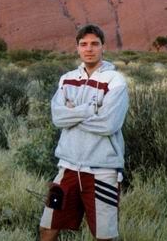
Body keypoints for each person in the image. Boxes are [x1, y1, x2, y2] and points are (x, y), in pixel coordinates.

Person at [39, 24, 129, 241]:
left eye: (94, 44)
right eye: (83, 44)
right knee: (47, 228)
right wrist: (91, 109)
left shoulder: (115, 80)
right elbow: (58, 118)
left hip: (102, 171)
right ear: (77, 48)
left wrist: (74, 114)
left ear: (103, 47)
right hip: (68, 168)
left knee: (104, 236)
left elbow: (109, 124)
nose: (89, 49)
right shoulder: (66, 78)